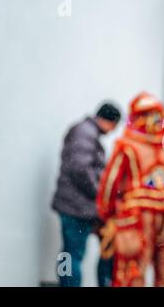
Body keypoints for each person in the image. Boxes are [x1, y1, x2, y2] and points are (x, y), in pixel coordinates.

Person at [97, 92, 164, 287]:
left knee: (132, 272)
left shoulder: (127, 145)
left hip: (138, 216)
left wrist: (106, 214)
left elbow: (110, 183)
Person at [52, 103, 121, 287]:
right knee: (73, 254)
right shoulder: (86, 133)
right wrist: (101, 195)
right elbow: (80, 169)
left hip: (75, 205)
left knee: (70, 253)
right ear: (110, 122)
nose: (113, 131)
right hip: (75, 207)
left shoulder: (86, 131)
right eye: (115, 126)